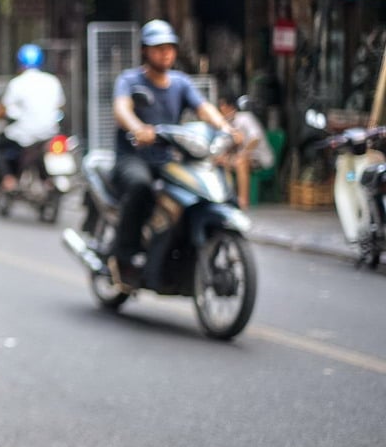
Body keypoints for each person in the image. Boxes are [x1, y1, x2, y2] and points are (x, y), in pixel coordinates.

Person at [109, 19, 239, 291]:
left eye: (169, 48)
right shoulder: (130, 80)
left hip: (167, 160)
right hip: (133, 158)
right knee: (141, 187)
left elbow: (204, 109)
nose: (165, 53)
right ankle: (123, 257)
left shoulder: (180, 83)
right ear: (145, 50)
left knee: (200, 191)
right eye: (158, 48)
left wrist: (226, 128)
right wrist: (138, 128)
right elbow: (121, 109)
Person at [0, 44, 65, 193]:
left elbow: (4, 108)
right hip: (50, 133)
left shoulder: (17, 83)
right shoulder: (53, 81)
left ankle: (9, 179)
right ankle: (46, 182)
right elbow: (60, 106)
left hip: (25, 135)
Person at [215, 94, 274, 210]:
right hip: (240, 157)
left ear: (231, 107)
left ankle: (243, 201)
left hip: (259, 158)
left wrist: (244, 152)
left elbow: (255, 138)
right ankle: (227, 197)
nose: (220, 109)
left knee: (241, 161)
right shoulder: (226, 124)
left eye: (223, 106)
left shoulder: (245, 117)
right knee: (220, 161)